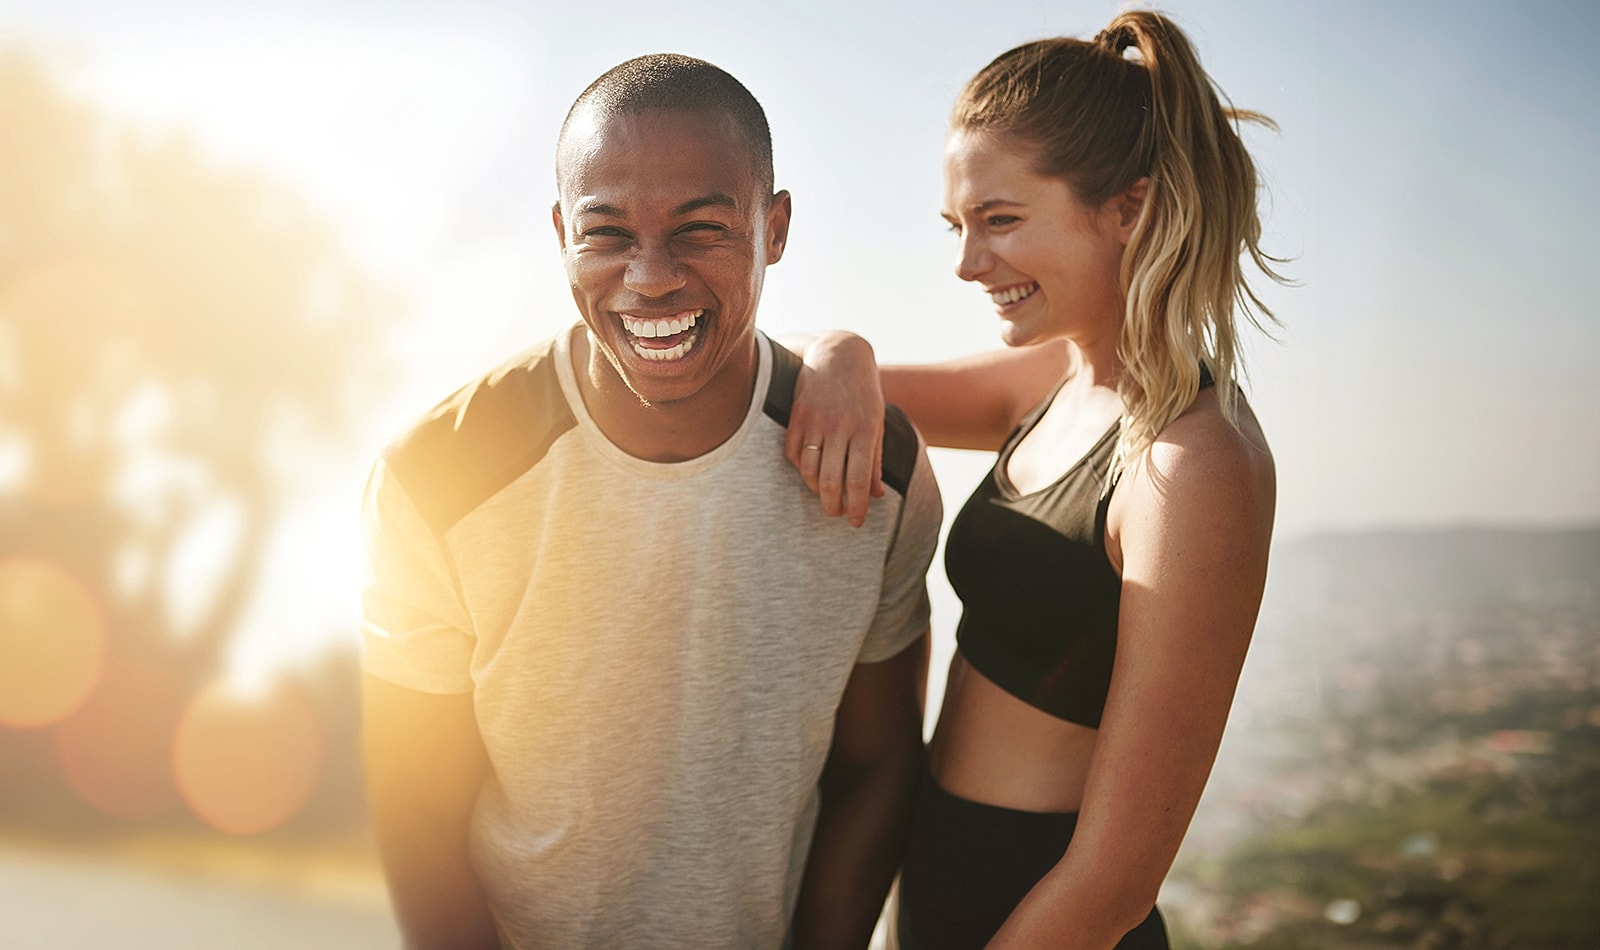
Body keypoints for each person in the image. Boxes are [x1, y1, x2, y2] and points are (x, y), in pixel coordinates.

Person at [360, 54, 942, 950]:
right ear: (562, 233)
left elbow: (878, 764)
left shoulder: (879, 470)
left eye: (700, 230)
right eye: (607, 234)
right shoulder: (436, 474)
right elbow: (416, 804)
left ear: (774, 228)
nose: (651, 276)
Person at [787, 11, 1284, 949]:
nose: (968, 263)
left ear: (1130, 209)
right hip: (934, 880)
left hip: (1045, 918)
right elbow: (805, 384)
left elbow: (1113, 882)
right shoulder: (1054, 378)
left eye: (1001, 220)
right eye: (957, 226)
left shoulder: (1195, 466)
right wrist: (842, 346)